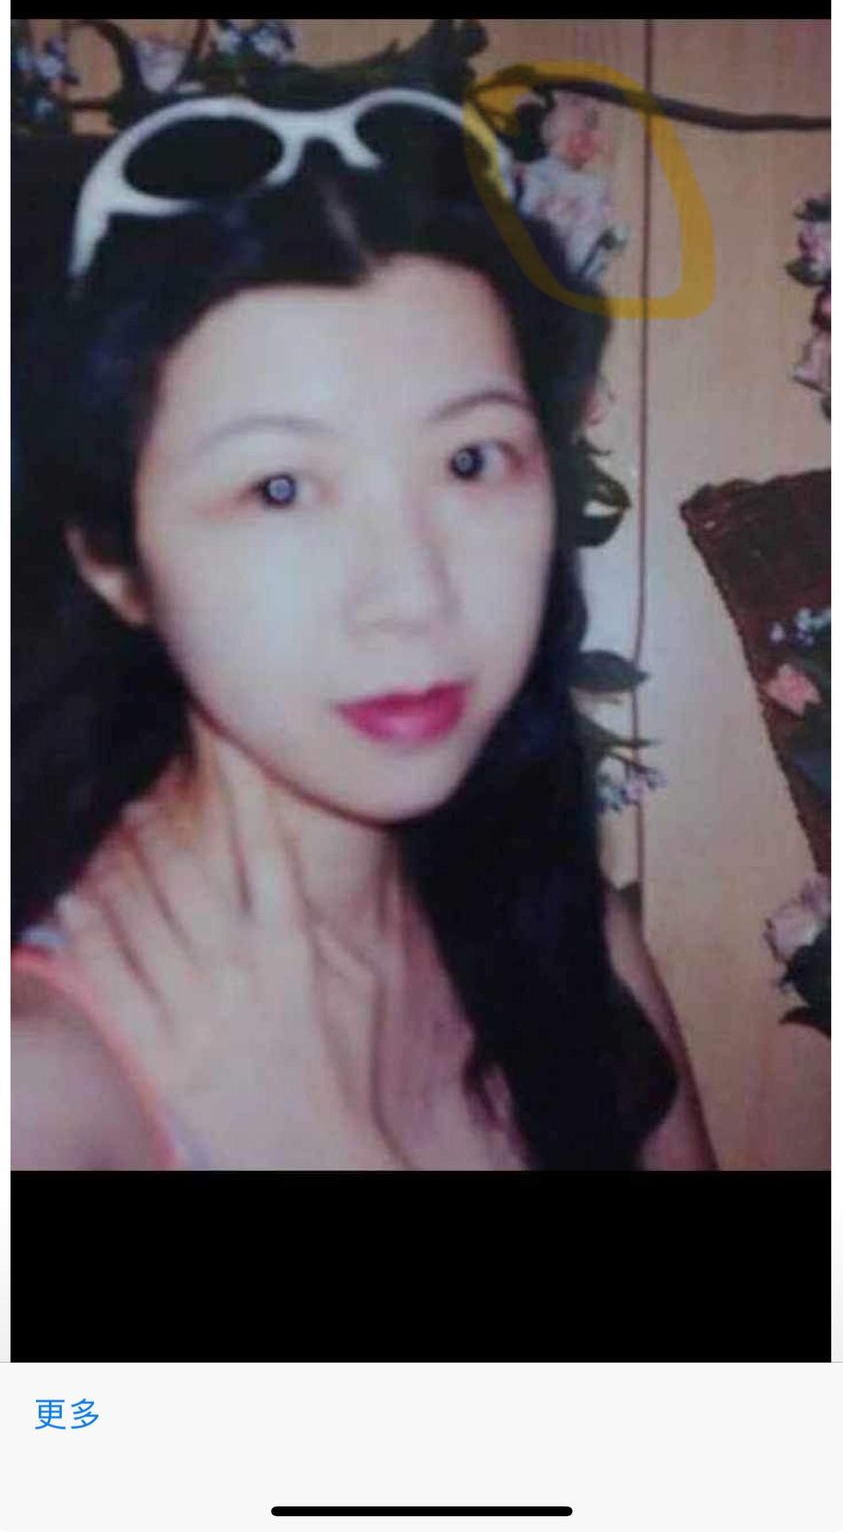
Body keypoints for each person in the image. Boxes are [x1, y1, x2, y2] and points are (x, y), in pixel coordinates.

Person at [12, 86, 715, 1172]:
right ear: (113, 559)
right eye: (280, 487)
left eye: (471, 460)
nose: (413, 595)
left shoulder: (571, 943)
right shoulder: (43, 1090)